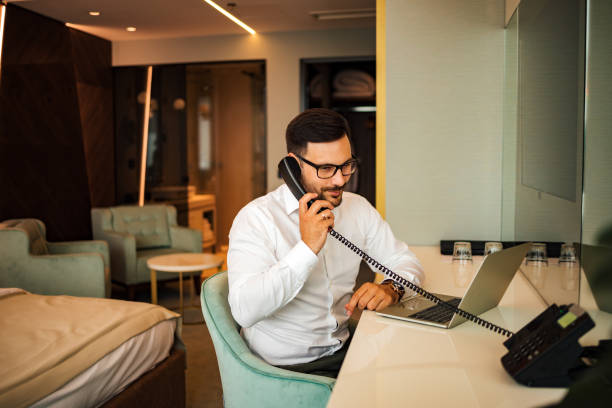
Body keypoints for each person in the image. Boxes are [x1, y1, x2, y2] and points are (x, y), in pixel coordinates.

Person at [227, 108, 424, 378]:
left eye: (346, 165)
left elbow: (405, 261)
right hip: (283, 369)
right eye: (326, 169)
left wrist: (393, 288)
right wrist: (306, 249)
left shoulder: (358, 208)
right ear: (293, 165)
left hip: (344, 351)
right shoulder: (256, 219)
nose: (340, 179)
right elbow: (244, 311)